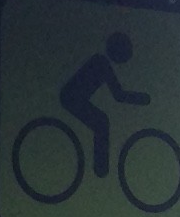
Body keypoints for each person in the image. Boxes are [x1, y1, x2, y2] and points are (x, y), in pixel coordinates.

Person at [57, 31, 151, 180]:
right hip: (71, 98)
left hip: (74, 97)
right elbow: (118, 94)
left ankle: (100, 169)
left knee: (101, 120)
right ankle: (101, 169)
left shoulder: (101, 61)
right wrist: (143, 99)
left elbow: (117, 94)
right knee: (101, 122)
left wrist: (142, 99)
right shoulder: (101, 62)